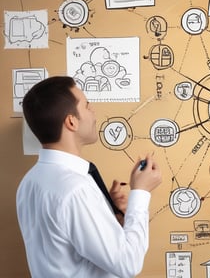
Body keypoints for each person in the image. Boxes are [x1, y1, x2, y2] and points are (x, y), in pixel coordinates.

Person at [16, 76, 162, 278]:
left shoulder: (29, 182)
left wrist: (107, 212)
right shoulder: (76, 190)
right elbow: (128, 263)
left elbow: (69, 246)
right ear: (71, 122)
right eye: (87, 106)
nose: (93, 112)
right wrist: (141, 192)